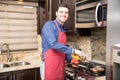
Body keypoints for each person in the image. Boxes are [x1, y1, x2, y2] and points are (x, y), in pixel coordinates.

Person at [40, 3, 86, 80]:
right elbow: (53, 44)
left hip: (59, 67)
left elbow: (62, 48)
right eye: (61, 12)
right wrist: (74, 51)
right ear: (56, 13)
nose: (63, 14)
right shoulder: (49, 25)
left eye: (66, 13)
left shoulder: (62, 29)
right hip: (49, 67)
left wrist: (70, 59)